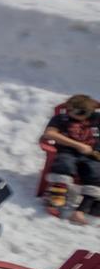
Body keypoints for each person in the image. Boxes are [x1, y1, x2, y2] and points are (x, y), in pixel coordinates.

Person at [43, 95, 99, 223]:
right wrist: (78, 145)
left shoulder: (96, 119)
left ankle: (82, 210)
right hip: (68, 151)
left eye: (84, 112)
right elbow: (49, 133)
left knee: (96, 173)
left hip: (92, 156)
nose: (78, 115)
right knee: (64, 164)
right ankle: (55, 199)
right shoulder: (61, 118)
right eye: (75, 111)